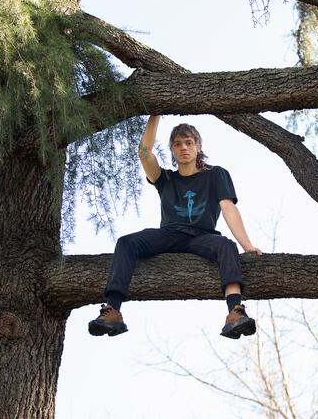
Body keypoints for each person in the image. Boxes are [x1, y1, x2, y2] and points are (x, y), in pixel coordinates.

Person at [88, 116, 262, 340]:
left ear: (199, 147)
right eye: (178, 144)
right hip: (168, 235)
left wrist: (246, 245)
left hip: (202, 237)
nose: (184, 148)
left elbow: (228, 207)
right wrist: (156, 112)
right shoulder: (165, 179)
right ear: (172, 149)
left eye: (189, 142)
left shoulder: (215, 174)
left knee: (226, 245)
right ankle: (112, 311)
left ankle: (235, 312)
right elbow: (144, 151)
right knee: (126, 242)